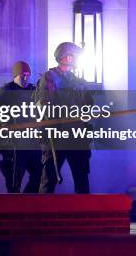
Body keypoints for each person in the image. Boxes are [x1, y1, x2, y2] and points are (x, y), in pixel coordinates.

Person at [34, 42, 93, 194]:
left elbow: (88, 105)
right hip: (57, 136)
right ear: (68, 58)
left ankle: (83, 216)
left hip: (77, 137)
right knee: (49, 179)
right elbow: (47, 106)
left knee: (82, 180)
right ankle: (43, 216)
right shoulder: (49, 78)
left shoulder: (77, 81)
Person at [0, 61, 42, 193]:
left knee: (38, 174)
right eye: (23, 75)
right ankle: (15, 207)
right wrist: (3, 125)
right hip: (13, 144)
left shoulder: (33, 91)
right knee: (14, 181)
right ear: (16, 75)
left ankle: (26, 203)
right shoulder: (5, 92)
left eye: (28, 75)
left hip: (32, 142)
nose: (26, 78)